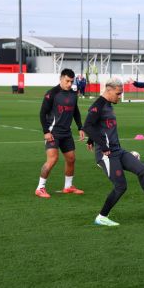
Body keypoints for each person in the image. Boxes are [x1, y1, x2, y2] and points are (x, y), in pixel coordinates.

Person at [83, 78, 144, 226]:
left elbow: (96, 126)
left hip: (117, 150)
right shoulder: (98, 105)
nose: (120, 96)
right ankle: (101, 216)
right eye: (118, 93)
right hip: (106, 154)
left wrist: (91, 139)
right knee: (121, 186)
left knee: (142, 169)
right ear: (108, 90)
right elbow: (87, 126)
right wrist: (102, 145)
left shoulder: (108, 104)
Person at [35, 69, 86, 198]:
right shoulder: (52, 93)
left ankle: (68, 187)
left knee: (71, 159)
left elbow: (76, 112)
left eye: (71, 81)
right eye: (67, 81)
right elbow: (42, 113)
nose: (69, 84)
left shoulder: (74, 94)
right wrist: (46, 131)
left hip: (66, 133)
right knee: (53, 159)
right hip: (53, 132)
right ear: (61, 78)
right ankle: (40, 188)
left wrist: (80, 127)